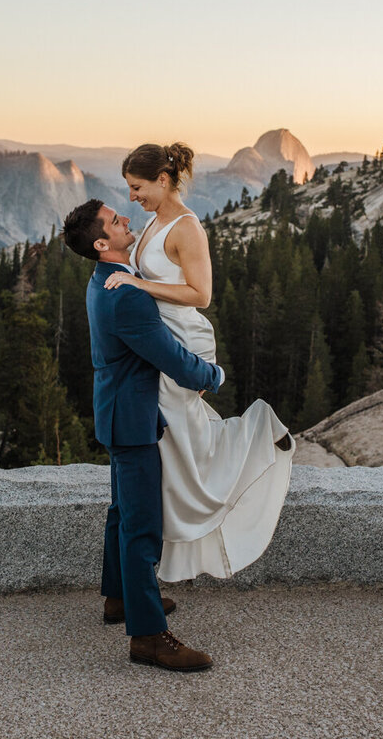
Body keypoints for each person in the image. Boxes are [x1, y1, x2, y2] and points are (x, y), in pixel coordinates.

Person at [105, 142, 294, 583]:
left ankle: (259, 435)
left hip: (183, 341)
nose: (132, 197)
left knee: (182, 443)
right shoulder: (155, 221)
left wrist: (138, 285)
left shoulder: (187, 228)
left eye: (137, 187)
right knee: (174, 444)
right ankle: (158, 560)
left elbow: (201, 295)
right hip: (159, 339)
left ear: (163, 180)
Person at [62, 199, 222, 672]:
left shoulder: (103, 280)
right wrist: (211, 376)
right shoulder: (126, 295)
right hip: (132, 422)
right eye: (115, 220)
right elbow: (169, 357)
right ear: (101, 243)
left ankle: (119, 601)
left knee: (121, 513)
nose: (126, 219)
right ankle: (149, 637)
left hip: (117, 412)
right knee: (142, 527)